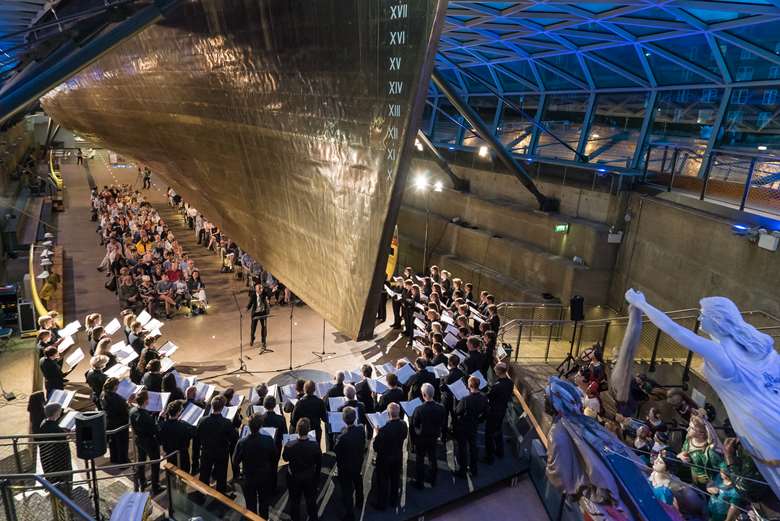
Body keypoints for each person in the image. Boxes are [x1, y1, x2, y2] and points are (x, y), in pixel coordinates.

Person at [232, 413, 278, 517]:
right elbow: (274, 457)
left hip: (249, 477)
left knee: (250, 505)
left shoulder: (242, 442)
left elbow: (235, 461)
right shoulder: (268, 440)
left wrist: (239, 473)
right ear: (261, 426)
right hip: (264, 476)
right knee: (264, 503)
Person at [194, 395, 237, 494]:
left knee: (204, 474)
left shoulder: (202, 420)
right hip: (221, 453)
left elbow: (197, 437)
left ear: (212, 406)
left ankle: (201, 494)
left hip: (206, 451)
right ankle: (220, 496)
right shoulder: (226, 423)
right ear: (223, 408)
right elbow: (234, 438)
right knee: (221, 477)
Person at [283, 418, 322, 521]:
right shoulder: (314, 445)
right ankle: (313, 517)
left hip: (294, 477)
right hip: (309, 477)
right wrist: (317, 477)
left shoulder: (289, 445)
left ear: (297, 430)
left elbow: (285, 458)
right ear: (308, 430)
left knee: (295, 501)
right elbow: (318, 462)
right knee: (311, 500)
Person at [372, 402, 407, 510]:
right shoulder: (403, 424)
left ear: (388, 414)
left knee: (383, 481)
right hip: (397, 457)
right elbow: (404, 436)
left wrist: (376, 434)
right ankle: (393, 500)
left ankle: (381, 504)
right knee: (395, 479)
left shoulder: (384, 430)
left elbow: (376, 447)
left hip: (384, 460)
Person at [129, 390, 165, 495]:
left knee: (141, 460)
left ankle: (142, 482)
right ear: (146, 401)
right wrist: (160, 418)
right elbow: (156, 430)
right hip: (150, 442)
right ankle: (156, 486)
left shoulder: (132, 411)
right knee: (155, 463)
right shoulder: (146, 417)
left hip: (139, 439)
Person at [333, 407, 365, 521]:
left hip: (345, 467)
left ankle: (350, 514)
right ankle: (360, 502)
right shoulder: (361, 429)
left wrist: (338, 435)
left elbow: (336, 450)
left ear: (344, 420)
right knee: (358, 482)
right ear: (355, 417)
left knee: (347, 490)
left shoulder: (342, 437)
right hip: (357, 462)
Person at [410, 382, 445, 488]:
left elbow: (414, 425)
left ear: (423, 395)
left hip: (422, 438)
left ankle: (419, 482)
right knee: (432, 458)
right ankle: (432, 479)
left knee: (420, 460)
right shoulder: (441, 407)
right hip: (434, 436)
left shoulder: (419, 409)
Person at [454, 376, 488, 477]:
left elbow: (457, 412)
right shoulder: (484, 398)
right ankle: (474, 470)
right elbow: (486, 412)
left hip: (463, 427)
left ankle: (463, 471)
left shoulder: (465, 399)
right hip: (474, 426)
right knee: (473, 447)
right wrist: (479, 420)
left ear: (469, 386)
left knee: (462, 449)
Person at [39, 403, 73, 494]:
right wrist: (66, 435)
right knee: (64, 482)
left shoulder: (43, 423)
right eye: (59, 411)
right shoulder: (57, 429)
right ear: (55, 413)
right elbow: (62, 445)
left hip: (48, 460)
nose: (60, 412)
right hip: (59, 461)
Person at [484, 362, 513, 463]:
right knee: (498, 431)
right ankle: (500, 452)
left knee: (489, 434)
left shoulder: (497, 386)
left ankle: (489, 457)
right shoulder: (510, 382)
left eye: (496, 368)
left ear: (498, 371)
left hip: (493, 412)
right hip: (502, 410)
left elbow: (490, 396)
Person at [159, 400, 196, 473]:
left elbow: (159, 430)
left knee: (170, 473)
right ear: (178, 412)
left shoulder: (162, 425)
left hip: (169, 453)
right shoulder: (184, 426)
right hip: (182, 454)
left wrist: (160, 418)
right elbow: (193, 434)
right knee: (184, 473)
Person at [101, 377, 130, 464]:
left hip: (110, 421)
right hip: (120, 423)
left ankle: (114, 459)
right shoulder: (117, 398)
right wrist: (127, 404)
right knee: (122, 444)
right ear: (115, 386)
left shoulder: (103, 394)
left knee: (112, 442)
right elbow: (124, 411)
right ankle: (123, 462)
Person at [441, 354, 464, 441]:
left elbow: (442, 388)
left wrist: (442, 379)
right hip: (456, 398)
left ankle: (444, 436)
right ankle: (454, 433)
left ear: (449, 362)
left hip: (447, 399)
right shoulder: (461, 373)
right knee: (454, 417)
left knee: (445, 417)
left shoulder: (448, 375)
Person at [247, 283, 270, 349]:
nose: (261, 290)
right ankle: (252, 338)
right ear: (256, 290)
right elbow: (250, 303)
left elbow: (269, 294)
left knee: (264, 327)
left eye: (261, 288)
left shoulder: (264, 294)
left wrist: (272, 291)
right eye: (259, 289)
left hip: (262, 313)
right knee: (253, 328)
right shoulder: (253, 295)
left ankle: (263, 341)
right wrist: (247, 308)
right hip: (255, 313)